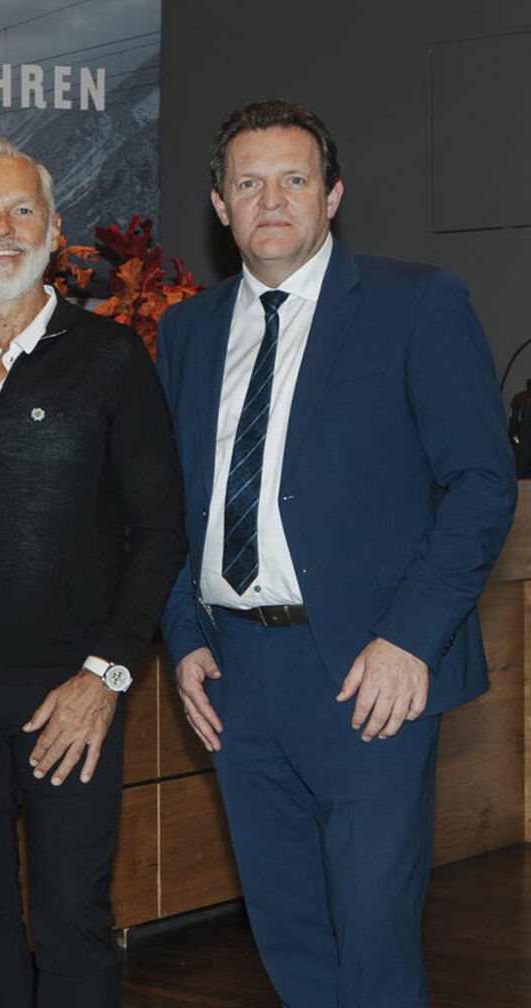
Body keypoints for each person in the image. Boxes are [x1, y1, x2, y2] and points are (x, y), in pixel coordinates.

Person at [156, 99, 515, 1007]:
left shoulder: (416, 302)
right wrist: (183, 632)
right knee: (289, 932)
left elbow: (480, 484)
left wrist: (410, 639)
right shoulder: (188, 334)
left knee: (371, 936)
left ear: (333, 195)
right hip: (236, 670)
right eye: (248, 182)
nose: (270, 199)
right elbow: (165, 505)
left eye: (293, 179)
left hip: (369, 667)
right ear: (219, 204)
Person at [0, 138, 185, 1007]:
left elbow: (164, 529)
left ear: (55, 234)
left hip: (71, 701)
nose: (2, 230)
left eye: (22, 212)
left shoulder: (111, 359)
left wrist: (107, 672)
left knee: (72, 919)